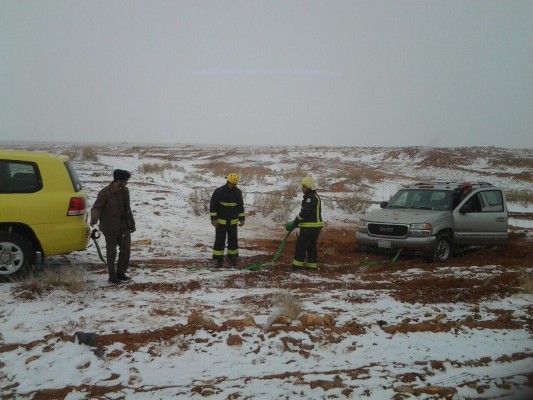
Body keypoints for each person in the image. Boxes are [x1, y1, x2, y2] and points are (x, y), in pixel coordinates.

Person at [90, 169, 136, 284]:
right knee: (111, 252)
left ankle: (121, 273)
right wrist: (94, 218)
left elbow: (128, 209)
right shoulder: (105, 192)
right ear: (119, 180)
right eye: (125, 180)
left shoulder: (125, 191)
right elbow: (96, 207)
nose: (126, 183)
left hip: (123, 224)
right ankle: (112, 276)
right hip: (109, 226)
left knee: (126, 249)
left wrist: (132, 223)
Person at [285, 176, 324, 272]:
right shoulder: (312, 196)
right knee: (311, 246)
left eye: (304, 187)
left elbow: (305, 213)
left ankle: (296, 266)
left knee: (301, 246)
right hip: (313, 226)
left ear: (309, 187)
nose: (302, 189)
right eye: (302, 187)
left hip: (310, 227)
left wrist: (296, 221)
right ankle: (312, 266)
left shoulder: (310, 198)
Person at [209, 173, 245, 268]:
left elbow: (240, 207)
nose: (232, 185)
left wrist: (242, 219)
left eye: (234, 184)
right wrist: (214, 219)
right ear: (228, 181)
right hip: (221, 222)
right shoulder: (219, 191)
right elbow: (213, 206)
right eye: (231, 183)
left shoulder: (238, 193)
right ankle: (217, 259)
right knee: (220, 241)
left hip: (232, 222)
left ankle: (232, 257)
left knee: (233, 241)